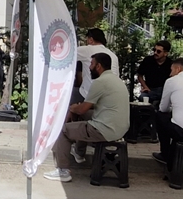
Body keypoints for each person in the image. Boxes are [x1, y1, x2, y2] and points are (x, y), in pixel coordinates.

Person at [45, 53, 129, 183]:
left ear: (98, 66)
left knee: (63, 130)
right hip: (119, 127)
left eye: (91, 64)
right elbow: (90, 107)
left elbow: (82, 108)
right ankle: (79, 152)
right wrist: (77, 109)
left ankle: (63, 171)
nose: (89, 67)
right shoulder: (116, 80)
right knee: (81, 116)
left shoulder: (100, 82)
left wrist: (72, 108)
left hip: (104, 129)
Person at [76, 28, 119, 99]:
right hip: (110, 96)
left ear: (91, 39)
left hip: (89, 95)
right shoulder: (113, 55)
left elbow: (66, 55)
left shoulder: (87, 50)